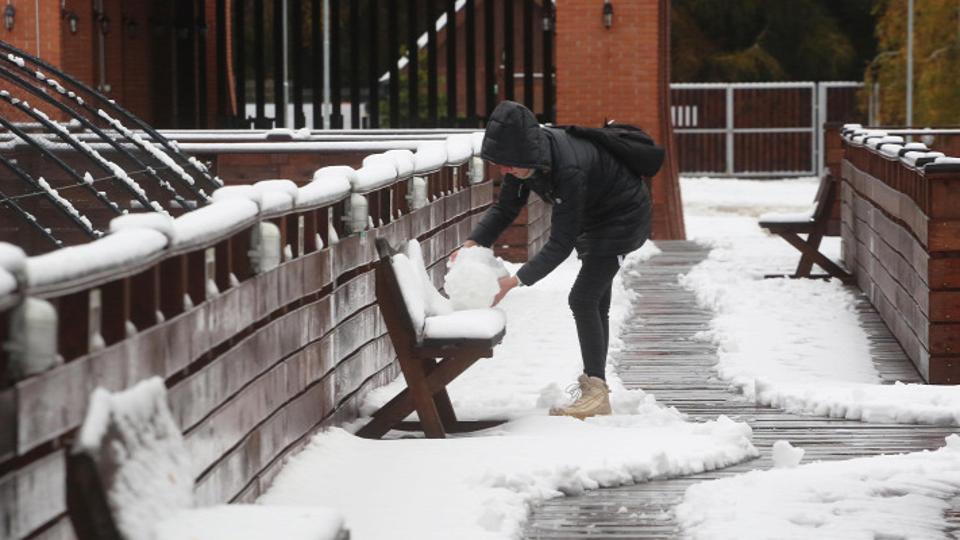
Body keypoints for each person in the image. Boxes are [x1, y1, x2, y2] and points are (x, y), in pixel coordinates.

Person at [457, 100, 653, 420]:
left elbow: (560, 243)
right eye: (500, 163)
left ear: (524, 152)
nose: (504, 170)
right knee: (593, 300)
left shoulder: (567, 168)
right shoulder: (524, 158)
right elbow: (506, 209)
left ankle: (596, 392)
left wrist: (514, 281)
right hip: (597, 218)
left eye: (507, 164)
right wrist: (474, 242)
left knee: (583, 298)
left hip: (623, 220)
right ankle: (596, 388)